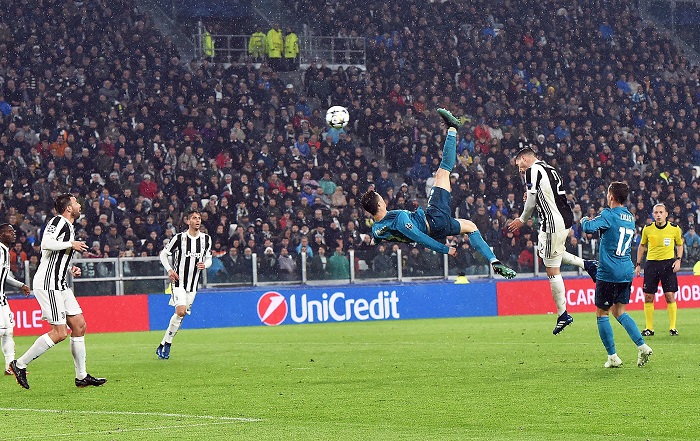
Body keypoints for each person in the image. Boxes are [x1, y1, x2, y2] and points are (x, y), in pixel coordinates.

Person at [360, 109, 516, 279]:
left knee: (471, 227)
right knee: (443, 172)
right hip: (433, 219)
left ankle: (494, 261)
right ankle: (452, 128)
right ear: (380, 204)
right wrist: (446, 249)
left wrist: (373, 241)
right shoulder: (400, 220)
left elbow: (377, 238)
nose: (384, 199)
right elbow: (419, 238)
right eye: (381, 198)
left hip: (436, 226)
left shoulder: (376, 230)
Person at [9, 194, 106, 389]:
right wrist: (71, 244)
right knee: (60, 332)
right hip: (49, 283)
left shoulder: (69, 227)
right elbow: (46, 244)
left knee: (79, 325)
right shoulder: (58, 221)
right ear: (69, 208)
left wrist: (70, 267)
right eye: (76, 202)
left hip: (60, 283)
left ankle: (81, 376)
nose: (79, 205)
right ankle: (19, 364)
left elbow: (55, 255)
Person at [508, 147, 598, 334]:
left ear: (524, 158)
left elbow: (533, 198)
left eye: (519, 165)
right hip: (563, 218)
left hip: (552, 222)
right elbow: (549, 194)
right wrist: (533, 195)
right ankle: (587, 264)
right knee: (550, 253)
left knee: (551, 268)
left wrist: (522, 219)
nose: (519, 170)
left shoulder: (532, 170)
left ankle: (563, 313)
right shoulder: (549, 168)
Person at [581, 182, 653, 368]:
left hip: (609, 273)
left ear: (611, 196)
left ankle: (613, 357)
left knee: (602, 313)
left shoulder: (608, 215)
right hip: (626, 271)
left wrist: (583, 220)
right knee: (619, 311)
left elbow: (588, 228)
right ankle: (642, 345)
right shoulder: (629, 217)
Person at [156, 208, 212, 360]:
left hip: (193, 285)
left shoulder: (206, 239)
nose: (197, 220)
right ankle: (167, 344)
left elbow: (209, 259)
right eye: (194, 218)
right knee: (180, 311)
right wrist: (169, 270)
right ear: (188, 221)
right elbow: (163, 254)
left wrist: (204, 265)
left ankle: (164, 343)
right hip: (178, 282)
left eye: (199, 218)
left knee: (180, 316)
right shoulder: (179, 238)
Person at [635, 203, 683, 337]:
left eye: (661, 212)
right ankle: (649, 328)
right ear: (653, 214)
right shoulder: (647, 229)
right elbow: (642, 246)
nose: (658, 215)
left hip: (668, 265)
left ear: (666, 214)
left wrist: (678, 259)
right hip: (651, 265)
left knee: (669, 296)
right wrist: (638, 264)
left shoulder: (674, 229)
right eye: (656, 212)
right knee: (648, 296)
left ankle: (673, 327)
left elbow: (680, 244)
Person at [0, 223, 31, 375]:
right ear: (1, 235)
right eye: (9, 231)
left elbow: (4, 276)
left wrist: (21, 285)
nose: (13, 234)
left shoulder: (6, 251)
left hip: (2, 299)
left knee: (8, 331)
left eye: (13, 231)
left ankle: (10, 366)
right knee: (2, 331)